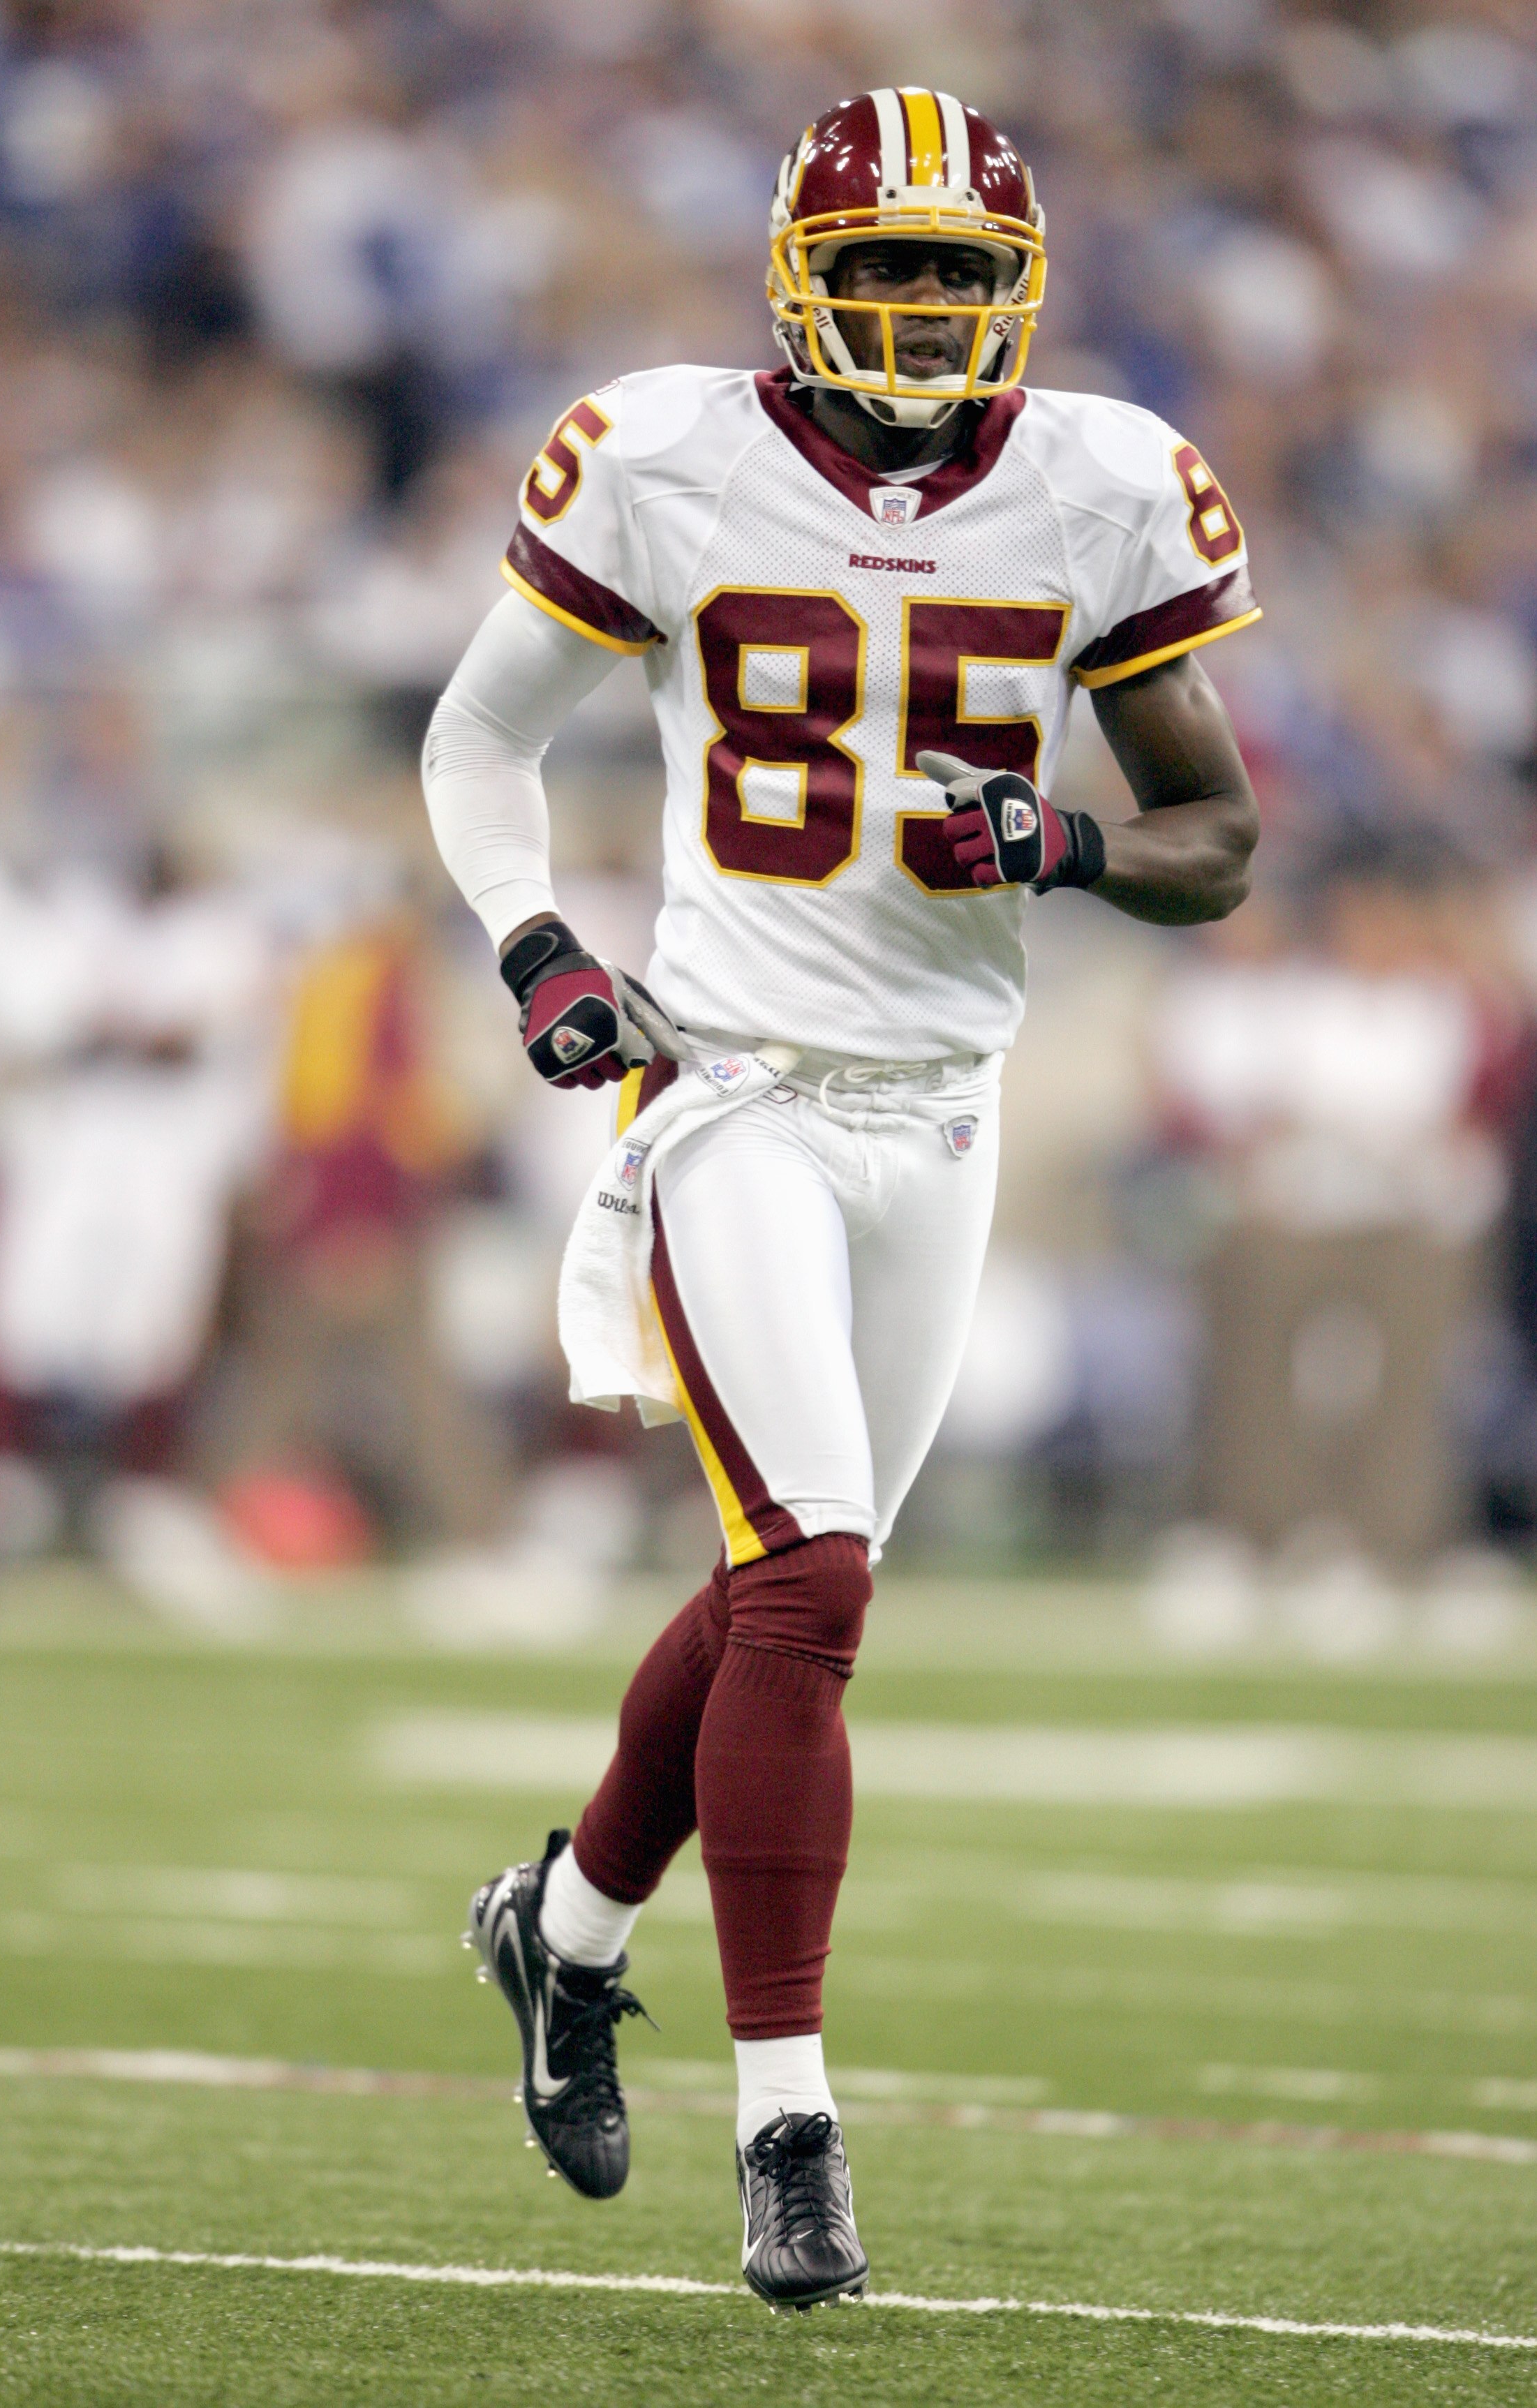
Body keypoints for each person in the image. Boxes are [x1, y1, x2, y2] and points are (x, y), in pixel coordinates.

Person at [422, 88, 1259, 2311]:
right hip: (733, 1087)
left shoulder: (1100, 482)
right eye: (879, 271)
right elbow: (472, 741)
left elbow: (1217, 836)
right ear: (799, 281)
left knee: (788, 1594)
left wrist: (1062, 843)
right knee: (807, 1584)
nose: (916, 310)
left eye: (953, 276)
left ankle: (564, 1927)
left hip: (944, 1112)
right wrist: (542, 953)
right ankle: (788, 2121)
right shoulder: (667, 450)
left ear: (1015, 296)